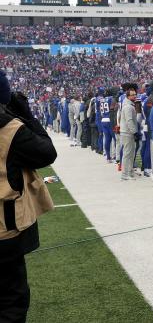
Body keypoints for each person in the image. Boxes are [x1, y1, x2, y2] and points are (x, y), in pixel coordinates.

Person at [0, 70, 57, 323]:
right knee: (11, 302)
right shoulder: (10, 130)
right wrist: (25, 113)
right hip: (4, 229)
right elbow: (46, 152)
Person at [119, 88, 138, 181]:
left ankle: (129, 172)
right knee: (127, 154)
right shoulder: (128, 106)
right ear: (128, 96)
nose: (135, 96)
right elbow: (129, 121)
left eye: (135, 94)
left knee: (130, 153)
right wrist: (135, 132)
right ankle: (125, 174)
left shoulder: (128, 104)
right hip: (127, 132)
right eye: (133, 95)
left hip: (127, 132)